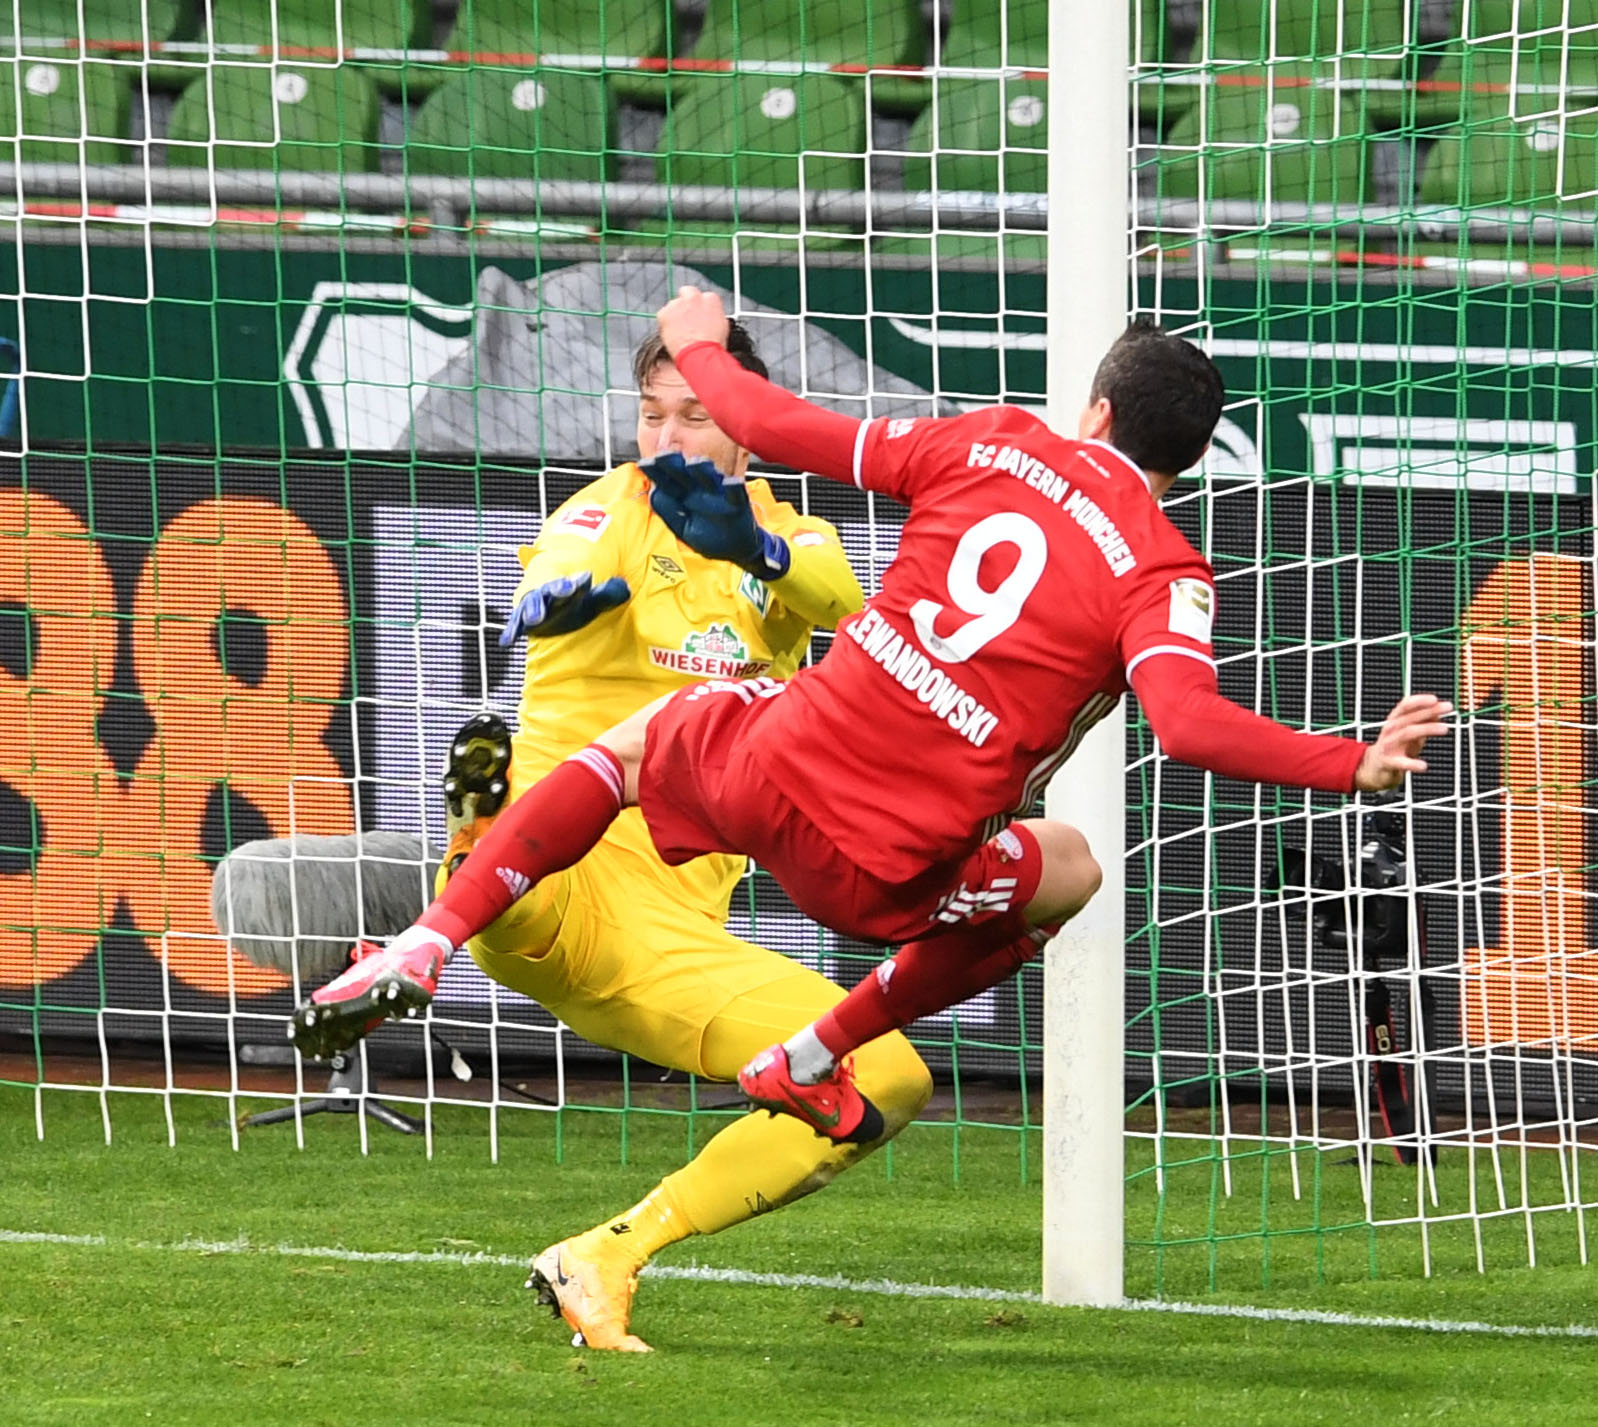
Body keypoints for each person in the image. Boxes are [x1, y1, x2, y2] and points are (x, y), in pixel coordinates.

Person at [326, 289, 1451, 1150]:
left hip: (767, 771)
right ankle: (818, 1051)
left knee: (635, 745)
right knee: (1065, 869)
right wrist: (1353, 760)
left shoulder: (990, 441)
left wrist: (703, 338)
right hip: (886, 874)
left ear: (1094, 408)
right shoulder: (1166, 574)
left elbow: (770, 419)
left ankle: (433, 936)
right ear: (1190, 463)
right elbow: (1191, 730)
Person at [292, 319, 938, 1354]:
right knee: (524, 888)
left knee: (892, 1076)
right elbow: (563, 559)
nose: (667, 435)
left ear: (745, 430)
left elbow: (850, 605)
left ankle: (606, 1252)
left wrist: (756, 548)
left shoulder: (791, 533)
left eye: (696, 413)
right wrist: (546, 603)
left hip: (672, 933)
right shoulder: (606, 507)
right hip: (554, 864)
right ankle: (469, 847)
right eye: (652, 413)